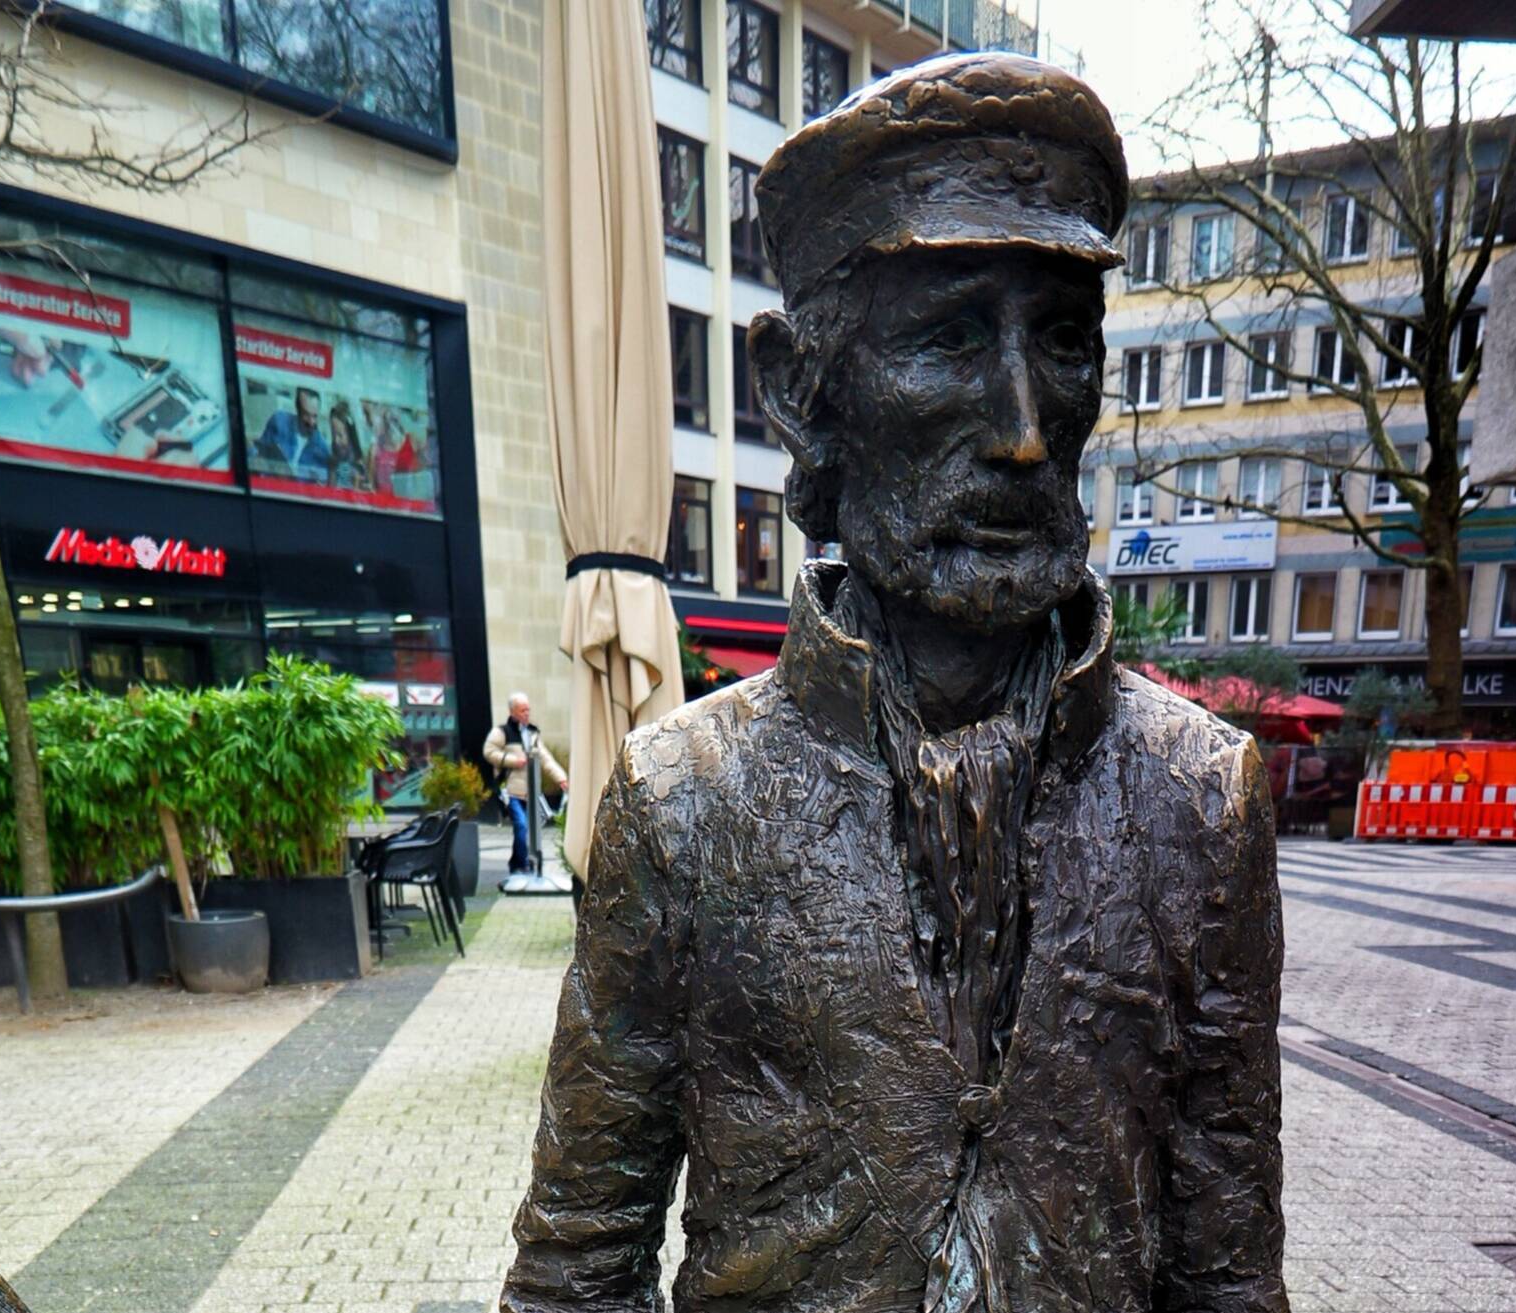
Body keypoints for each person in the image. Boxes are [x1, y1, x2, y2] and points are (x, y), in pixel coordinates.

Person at [501, 54, 1285, 1313]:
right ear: (801, 392)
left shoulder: (1199, 798)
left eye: (1063, 343)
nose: (1024, 427)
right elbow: (577, 1264)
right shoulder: (681, 799)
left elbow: (1228, 1260)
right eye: (947, 337)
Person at [482, 691, 566, 886]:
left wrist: (561, 778)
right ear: (513, 712)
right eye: (522, 710)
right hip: (511, 791)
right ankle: (522, 865)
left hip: (531, 792)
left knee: (529, 830)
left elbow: (545, 759)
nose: (527, 713)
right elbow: (489, 751)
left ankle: (518, 863)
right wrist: (512, 761)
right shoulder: (502, 732)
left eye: (528, 709)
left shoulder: (532, 733)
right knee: (521, 826)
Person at [254, 386, 331, 482]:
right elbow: (258, 452)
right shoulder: (278, 421)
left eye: (315, 416)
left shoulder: (322, 449)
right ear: (297, 409)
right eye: (306, 415)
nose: (311, 422)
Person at [325, 402, 371, 491]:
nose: (336, 440)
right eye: (333, 435)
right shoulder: (333, 462)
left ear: (351, 435)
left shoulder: (359, 466)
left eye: (340, 435)